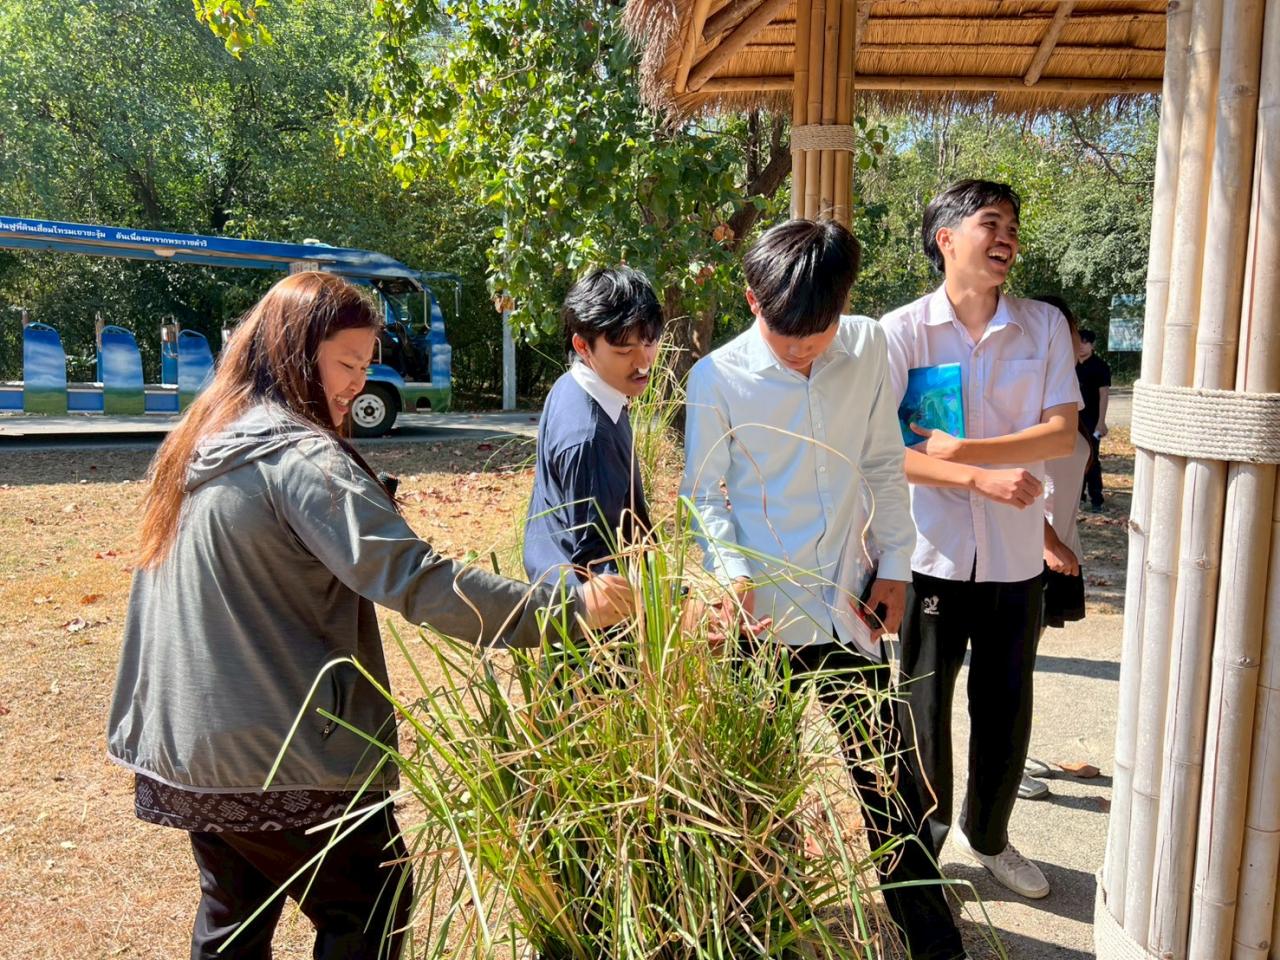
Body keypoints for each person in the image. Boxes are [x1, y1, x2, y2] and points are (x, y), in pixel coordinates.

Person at [106, 271, 630, 960]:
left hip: (188, 744)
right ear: (294, 351)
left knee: (235, 914)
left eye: (365, 364)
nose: (357, 381)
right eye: (347, 363)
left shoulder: (206, 437)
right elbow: (415, 580)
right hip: (278, 751)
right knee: (372, 903)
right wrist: (569, 607)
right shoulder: (299, 456)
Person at [683, 219, 969, 960]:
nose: (804, 348)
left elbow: (882, 458)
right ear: (752, 299)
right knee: (755, 792)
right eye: (787, 335)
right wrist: (731, 574)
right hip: (759, 626)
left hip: (851, 608)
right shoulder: (717, 377)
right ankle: (756, 938)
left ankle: (933, 943)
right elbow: (706, 496)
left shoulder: (870, 345)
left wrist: (899, 565)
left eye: (819, 330)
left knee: (890, 792)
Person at [881, 179, 1082, 901]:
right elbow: (884, 449)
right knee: (923, 712)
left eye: (1013, 227)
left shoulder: (1042, 328)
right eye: (990, 223)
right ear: (946, 239)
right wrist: (977, 479)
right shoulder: (900, 332)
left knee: (1006, 708)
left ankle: (990, 838)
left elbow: (1061, 430)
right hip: (928, 556)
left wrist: (964, 453)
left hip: (1014, 559)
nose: (1007, 239)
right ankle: (923, 847)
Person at [523, 266, 660, 587]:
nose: (643, 362)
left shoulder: (576, 384)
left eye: (650, 342)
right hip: (591, 622)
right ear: (583, 346)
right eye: (624, 350)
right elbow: (596, 567)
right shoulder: (588, 435)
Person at [1020, 295, 1093, 802]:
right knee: (1010, 667)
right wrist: (1048, 542)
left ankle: (1016, 755)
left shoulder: (1068, 393)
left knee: (1025, 662)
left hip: (1061, 546)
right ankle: (1004, 770)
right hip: (1033, 550)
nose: (1074, 340)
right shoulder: (1026, 393)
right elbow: (1018, 477)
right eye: (1067, 330)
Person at [1076, 328, 1112, 511]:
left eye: (1085, 342)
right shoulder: (1068, 364)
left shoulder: (1100, 366)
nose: (1082, 346)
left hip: (1091, 420)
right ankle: (1077, 496)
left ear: (1092, 345)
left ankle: (1096, 498)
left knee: (1092, 458)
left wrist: (1101, 421)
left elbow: (1104, 394)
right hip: (1071, 419)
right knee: (1072, 457)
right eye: (1079, 341)